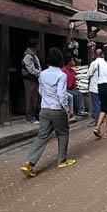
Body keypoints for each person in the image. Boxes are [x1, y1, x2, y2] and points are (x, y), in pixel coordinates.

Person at [21, 47, 76, 177]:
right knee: (63, 134)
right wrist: (68, 110)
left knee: (42, 136)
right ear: (60, 61)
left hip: (44, 109)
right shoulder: (61, 75)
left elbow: (40, 91)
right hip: (57, 109)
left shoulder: (42, 74)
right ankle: (62, 160)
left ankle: (30, 162)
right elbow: (62, 95)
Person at [22, 38, 42, 124]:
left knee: (36, 98)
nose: (39, 47)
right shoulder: (28, 56)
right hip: (30, 79)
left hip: (35, 79)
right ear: (33, 46)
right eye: (38, 46)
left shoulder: (34, 55)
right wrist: (41, 74)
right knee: (31, 98)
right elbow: (32, 70)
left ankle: (36, 115)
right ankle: (30, 117)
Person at [87, 49, 104, 127]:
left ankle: (97, 120)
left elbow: (89, 74)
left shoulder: (94, 63)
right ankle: (101, 118)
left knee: (96, 104)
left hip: (95, 87)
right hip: (103, 86)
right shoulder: (105, 63)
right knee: (101, 103)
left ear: (95, 54)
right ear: (102, 54)